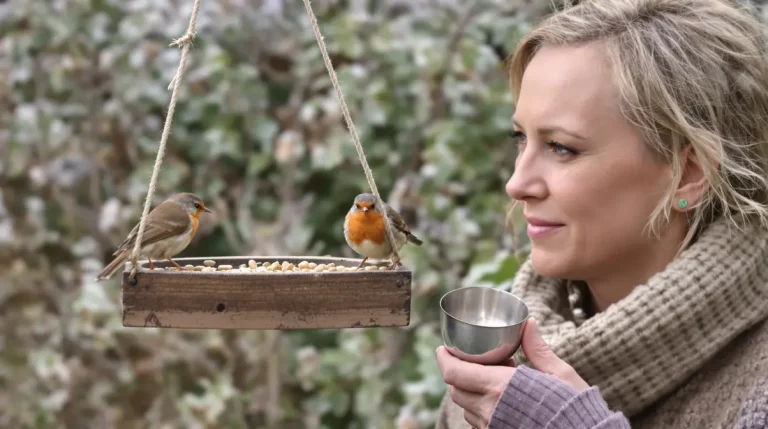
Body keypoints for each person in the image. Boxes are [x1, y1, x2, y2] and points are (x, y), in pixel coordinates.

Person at [434, 0, 768, 428]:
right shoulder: (496, 364)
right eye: (521, 138)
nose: (517, 184)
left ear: (688, 173)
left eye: (561, 147)